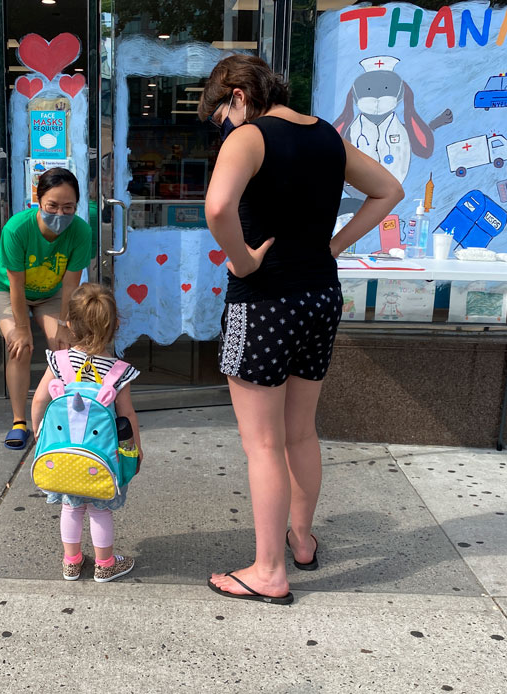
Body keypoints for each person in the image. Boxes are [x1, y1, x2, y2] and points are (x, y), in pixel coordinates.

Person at [199, 55, 404, 604]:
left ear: (238, 94)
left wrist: (241, 260)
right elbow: (389, 189)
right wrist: (333, 246)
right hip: (320, 296)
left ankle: (268, 571)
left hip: (263, 302)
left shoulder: (248, 137)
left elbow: (217, 206)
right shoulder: (327, 139)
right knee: (300, 432)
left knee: (262, 444)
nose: (223, 128)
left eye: (220, 116)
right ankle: (303, 540)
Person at [30, 282, 142, 583]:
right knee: (100, 510)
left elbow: (40, 399)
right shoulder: (118, 371)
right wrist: (135, 450)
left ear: (69, 324)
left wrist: (40, 433)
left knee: (71, 507)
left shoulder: (59, 361)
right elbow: (126, 415)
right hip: (102, 457)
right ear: (116, 325)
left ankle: (72, 562)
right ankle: (105, 564)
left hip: (63, 455)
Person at [0, 167, 92, 449]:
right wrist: (22, 329)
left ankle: (66, 413)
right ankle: (20, 421)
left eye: (68, 207)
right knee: (19, 346)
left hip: (52, 293)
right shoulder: (17, 228)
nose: (60, 214)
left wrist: (62, 324)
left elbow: (71, 285)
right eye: (52, 206)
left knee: (64, 346)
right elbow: (16, 286)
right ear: (39, 200)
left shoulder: (82, 232)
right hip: (7, 290)